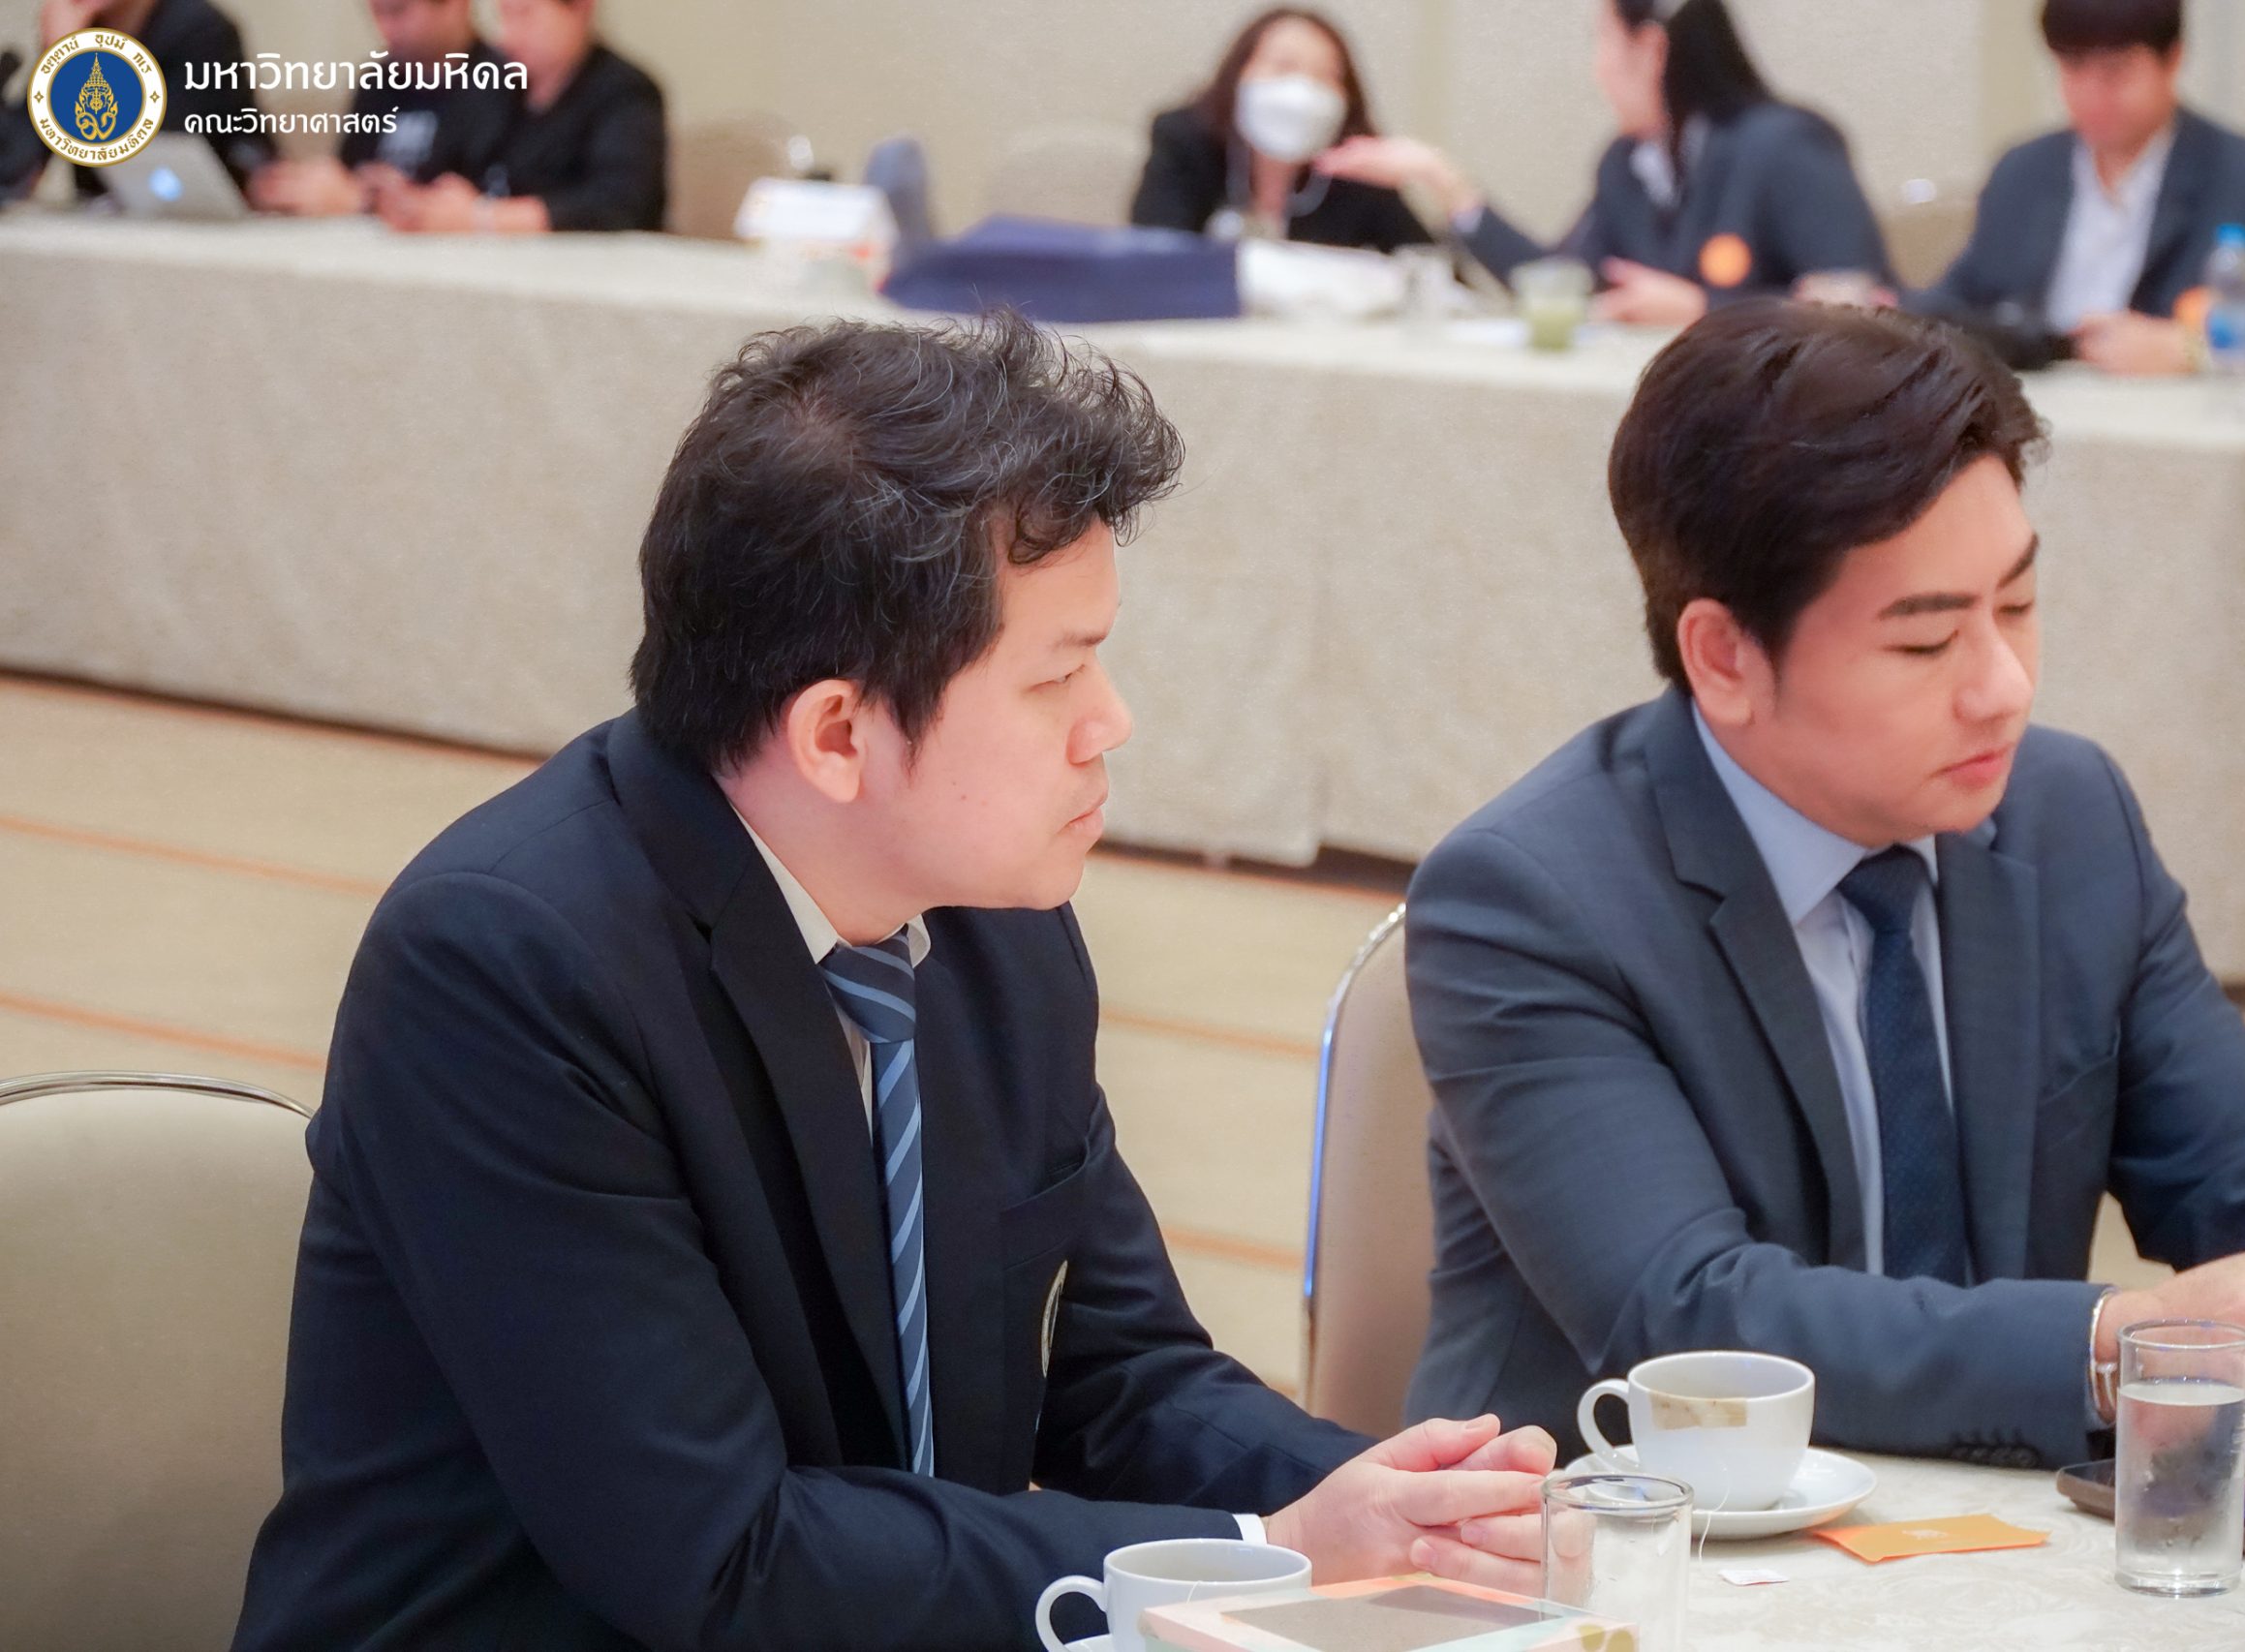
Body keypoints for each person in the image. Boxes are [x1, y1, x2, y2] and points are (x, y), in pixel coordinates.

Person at [229, 311, 1553, 1652]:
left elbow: (1120, 1372)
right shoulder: (509, 969)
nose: (1111, 720)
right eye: (1057, 674)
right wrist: (1266, 1554)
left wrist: (1401, 1506)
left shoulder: (993, 925)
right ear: (838, 732)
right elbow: (719, 1562)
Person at [1400, 300, 2245, 1486]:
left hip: (1994, 1526)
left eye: (2015, 606)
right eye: (1925, 642)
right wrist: (2110, 1343)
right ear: (1723, 656)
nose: (2003, 687)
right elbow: (1690, 1316)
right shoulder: (1531, 899)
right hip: (1626, 1533)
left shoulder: (2065, 816)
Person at [1314, 0, 1888, 324]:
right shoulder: (1626, 165)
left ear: (1651, 50)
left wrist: (1705, 308)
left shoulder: (1784, 144)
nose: (1598, 70)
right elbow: (1559, 285)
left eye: (1603, 43)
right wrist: (1444, 181)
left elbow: (1862, 307)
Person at [1910, 0, 2245, 379]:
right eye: (2073, 68)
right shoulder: (2023, 171)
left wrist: (2188, 351)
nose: (2091, 94)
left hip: (2172, 421)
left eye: (2115, 72)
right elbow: (1954, 303)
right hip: (2031, 413)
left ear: (2172, 60)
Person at [1129, 6, 1430, 254]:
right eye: (1283, 66)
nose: (1303, 90)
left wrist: (1437, 178)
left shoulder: (1357, 173)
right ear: (1239, 74)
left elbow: (1435, 272)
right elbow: (1155, 258)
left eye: (1326, 75)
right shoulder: (1185, 138)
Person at [374, 0, 662, 233]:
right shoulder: (495, 86)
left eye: (525, 13)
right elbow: (445, 167)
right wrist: (414, 199)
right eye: (504, 15)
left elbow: (619, 202)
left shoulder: (625, 92)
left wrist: (485, 218)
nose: (508, 35)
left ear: (580, 8)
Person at [247, 0, 517, 218]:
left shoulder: (501, 84)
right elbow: (348, 174)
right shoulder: (376, 82)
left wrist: (365, 201)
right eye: (377, 13)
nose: (386, 28)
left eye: (398, 11)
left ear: (456, 6)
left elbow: (483, 198)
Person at [4, 0, 267, 198]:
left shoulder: (200, 30)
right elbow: (14, 169)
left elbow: (152, 164)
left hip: (207, 226)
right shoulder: (81, 27)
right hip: (109, 227)